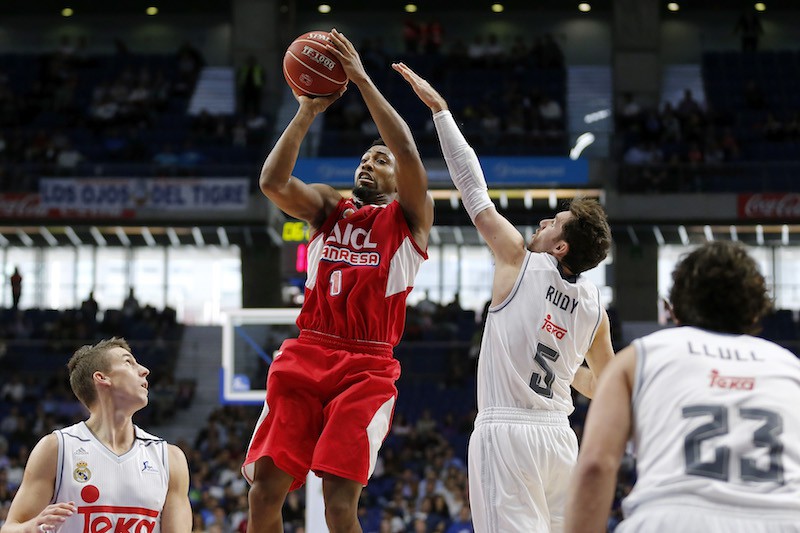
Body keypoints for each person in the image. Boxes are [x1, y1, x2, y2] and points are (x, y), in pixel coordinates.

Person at [393, 63, 615, 532]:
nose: (540, 224)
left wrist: (440, 111)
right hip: (560, 438)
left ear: (561, 247)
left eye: (551, 223)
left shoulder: (518, 258)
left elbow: (473, 189)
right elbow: (606, 386)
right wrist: (566, 369)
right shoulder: (595, 307)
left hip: (507, 434)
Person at [242, 29, 434, 533]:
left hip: (367, 365)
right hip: (308, 350)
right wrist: (307, 109)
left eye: (380, 159)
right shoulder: (329, 208)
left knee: (337, 503)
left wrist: (360, 80)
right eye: (366, 156)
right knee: (264, 493)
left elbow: (409, 152)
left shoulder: (410, 220)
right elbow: (272, 184)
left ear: (398, 179)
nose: (370, 162)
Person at [564, 241, 800, 532]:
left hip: (674, 518)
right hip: (783, 519)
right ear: (756, 313)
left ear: (673, 309)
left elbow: (596, 467)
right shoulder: (790, 368)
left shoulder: (638, 357)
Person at [0, 337, 192, 533]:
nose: (144, 370)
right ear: (102, 378)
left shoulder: (170, 458)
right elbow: (9, 529)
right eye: (128, 362)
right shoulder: (56, 448)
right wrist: (31, 528)